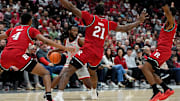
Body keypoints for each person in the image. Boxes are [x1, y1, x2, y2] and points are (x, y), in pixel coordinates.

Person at [54, 0, 147, 100]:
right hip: (98, 53)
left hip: (88, 50)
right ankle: (94, 92)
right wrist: (139, 21)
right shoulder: (108, 23)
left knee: (68, 71)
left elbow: (71, 7)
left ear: (94, 11)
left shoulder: (90, 18)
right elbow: (124, 28)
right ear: (104, 13)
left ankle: (59, 95)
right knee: (93, 73)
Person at [0, 13, 73, 101]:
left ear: (20, 21)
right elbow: (45, 41)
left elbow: (1, 37)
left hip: (5, 54)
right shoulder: (31, 29)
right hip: (18, 55)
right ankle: (48, 97)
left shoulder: (12, 29)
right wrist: (64, 48)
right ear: (30, 21)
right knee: (45, 73)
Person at [50, 25, 98, 99]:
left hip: (80, 63)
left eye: (76, 31)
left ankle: (93, 91)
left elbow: (89, 48)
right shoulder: (66, 40)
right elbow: (64, 48)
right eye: (74, 31)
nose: (76, 33)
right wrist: (54, 51)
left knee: (88, 84)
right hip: (69, 62)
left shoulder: (80, 40)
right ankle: (49, 92)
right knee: (61, 75)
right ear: (69, 31)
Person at [141, 2, 177, 101]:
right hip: (162, 50)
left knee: (145, 68)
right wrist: (172, 7)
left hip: (163, 50)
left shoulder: (171, 22)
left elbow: (169, 14)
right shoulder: (169, 22)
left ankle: (156, 91)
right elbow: (171, 13)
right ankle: (166, 89)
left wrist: (165, 5)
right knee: (152, 72)